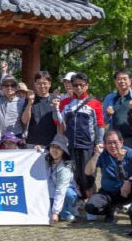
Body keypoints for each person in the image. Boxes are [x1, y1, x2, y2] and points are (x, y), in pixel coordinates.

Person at [58, 72, 105, 201]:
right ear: (71, 86)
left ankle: (92, 203)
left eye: (81, 85)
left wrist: (99, 143)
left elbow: (100, 125)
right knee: (73, 175)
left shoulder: (95, 103)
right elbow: (60, 124)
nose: (78, 88)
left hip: (87, 145)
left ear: (87, 86)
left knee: (89, 175)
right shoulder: (65, 103)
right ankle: (77, 202)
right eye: (75, 85)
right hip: (70, 145)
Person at [84, 130, 132, 223]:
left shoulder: (129, 153)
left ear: (121, 142)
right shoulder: (102, 154)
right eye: (109, 143)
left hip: (126, 191)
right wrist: (97, 154)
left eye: (115, 142)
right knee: (89, 207)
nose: (113, 146)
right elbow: (88, 172)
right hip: (107, 192)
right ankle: (110, 210)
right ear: (105, 144)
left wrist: (130, 181)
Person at [103, 70, 132, 150]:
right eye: (119, 79)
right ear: (115, 81)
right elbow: (104, 121)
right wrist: (108, 115)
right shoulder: (109, 98)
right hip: (115, 140)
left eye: (124, 79)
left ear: (130, 81)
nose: (122, 81)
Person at [46, 134, 79, 224]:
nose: (54, 150)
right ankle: (63, 212)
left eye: (58, 148)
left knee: (69, 194)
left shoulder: (65, 168)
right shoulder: (47, 159)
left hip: (64, 191)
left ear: (63, 151)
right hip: (51, 192)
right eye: (52, 147)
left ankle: (71, 211)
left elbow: (61, 190)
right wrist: (37, 150)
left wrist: (55, 212)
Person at [25, 71, 61, 149]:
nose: (42, 86)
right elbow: (24, 120)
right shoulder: (30, 99)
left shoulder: (56, 100)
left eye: (45, 83)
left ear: (50, 84)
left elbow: (60, 123)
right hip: (32, 143)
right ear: (35, 84)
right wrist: (29, 104)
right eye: (39, 83)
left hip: (51, 143)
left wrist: (56, 107)